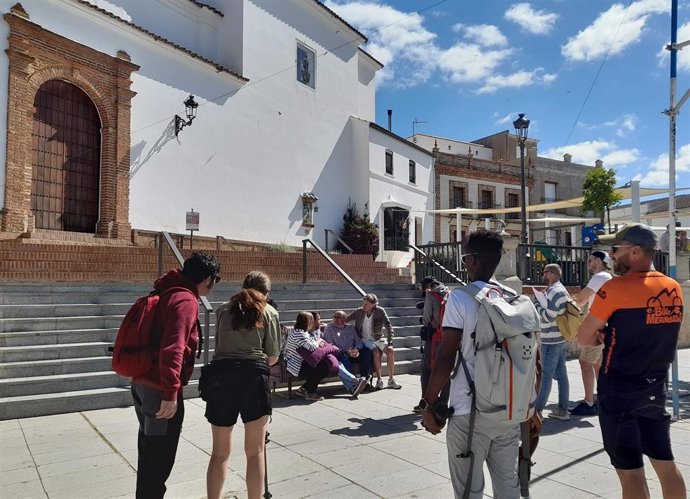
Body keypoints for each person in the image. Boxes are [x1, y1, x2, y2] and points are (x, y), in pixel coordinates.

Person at [421, 229, 539, 499]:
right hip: (509, 411)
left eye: (464, 259)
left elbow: (446, 357)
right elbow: (534, 358)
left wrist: (428, 403)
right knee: (508, 488)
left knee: (468, 492)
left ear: (472, 260)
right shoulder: (515, 298)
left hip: (469, 411)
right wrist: (531, 406)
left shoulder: (461, 298)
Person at [579, 224, 686, 499]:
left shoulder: (615, 288)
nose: (611, 255)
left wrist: (602, 337)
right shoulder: (672, 286)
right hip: (655, 387)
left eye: (616, 249)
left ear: (636, 251)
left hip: (619, 390)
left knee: (631, 472)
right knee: (665, 463)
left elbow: (583, 337)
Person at [131, 251, 221, 499]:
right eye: (216, 279)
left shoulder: (167, 290)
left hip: (144, 383)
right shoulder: (185, 300)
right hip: (160, 389)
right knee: (158, 460)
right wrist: (171, 393)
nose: (215, 285)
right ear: (207, 278)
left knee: (149, 455)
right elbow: (173, 347)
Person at [205, 271, 281, 499]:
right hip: (253, 377)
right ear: (266, 293)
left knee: (219, 452)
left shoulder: (223, 309)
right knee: (255, 451)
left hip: (223, 376)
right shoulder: (269, 312)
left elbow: (218, 347)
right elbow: (273, 356)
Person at [284, 312, 367, 400]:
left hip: (303, 361)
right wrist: (319, 341)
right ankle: (310, 392)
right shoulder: (299, 334)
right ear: (307, 322)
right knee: (324, 366)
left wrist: (319, 341)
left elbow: (313, 343)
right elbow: (312, 347)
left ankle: (304, 389)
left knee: (330, 363)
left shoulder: (303, 332)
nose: (315, 322)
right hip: (296, 365)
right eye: (312, 320)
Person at [570, 250, 613, 416]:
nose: (588, 263)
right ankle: (603, 398)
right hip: (605, 325)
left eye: (591, 260)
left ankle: (589, 403)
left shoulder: (600, 277)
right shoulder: (607, 278)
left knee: (586, 362)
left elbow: (581, 299)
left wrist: (565, 308)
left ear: (599, 261)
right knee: (597, 364)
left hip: (597, 326)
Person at [533, 263, 570, 420]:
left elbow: (548, 317)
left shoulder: (556, 292)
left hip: (552, 340)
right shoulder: (556, 290)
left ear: (552, 273)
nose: (543, 275)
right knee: (561, 375)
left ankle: (538, 410)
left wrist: (536, 303)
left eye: (545, 272)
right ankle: (563, 409)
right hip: (557, 338)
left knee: (546, 375)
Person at [347, 294, 401, 390]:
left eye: (366, 304)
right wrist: (329, 324)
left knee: (390, 350)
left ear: (373, 304)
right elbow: (345, 318)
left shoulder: (380, 311)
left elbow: (388, 326)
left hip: (378, 338)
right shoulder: (359, 311)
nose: (364, 306)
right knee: (376, 352)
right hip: (364, 339)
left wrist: (390, 342)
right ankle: (379, 380)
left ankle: (391, 380)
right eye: (363, 303)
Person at [414, 277, 450, 413]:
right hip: (449, 337)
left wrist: (423, 319)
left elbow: (426, 318)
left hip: (434, 338)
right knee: (446, 370)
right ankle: (444, 402)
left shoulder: (430, 295)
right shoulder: (449, 293)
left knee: (426, 369)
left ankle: (426, 402)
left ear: (426, 286)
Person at [322, 310, 372, 381]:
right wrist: (346, 351)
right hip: (340, 353)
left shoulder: (350, 328)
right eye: (335, 317)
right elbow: (331, 346)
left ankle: (366, 379)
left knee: (367, 351)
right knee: (343, 358)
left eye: (339, 317)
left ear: (345, 319)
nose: (336, 319)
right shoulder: (329, 328)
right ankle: (354, 382)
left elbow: (358, 341)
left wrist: (356, 349)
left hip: (353, 352)